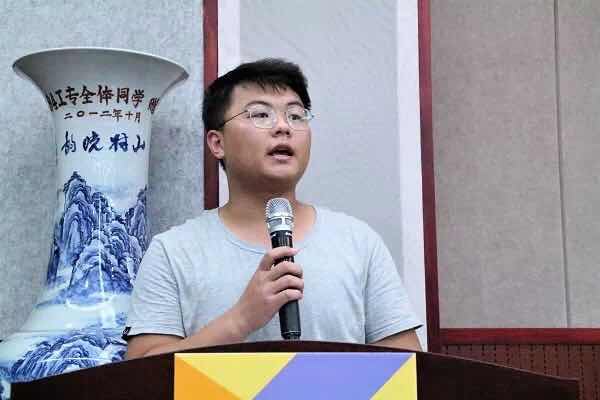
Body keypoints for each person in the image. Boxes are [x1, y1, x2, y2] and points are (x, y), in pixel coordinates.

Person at [124, 58, 422, 359]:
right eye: (261, 114)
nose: (283, 127)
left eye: (296, 115)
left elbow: (408, 367)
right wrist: (241, 320)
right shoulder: (173, 251)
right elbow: (141, 373)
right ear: (217, 143)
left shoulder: (358, 242)